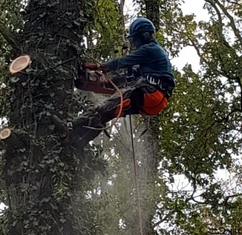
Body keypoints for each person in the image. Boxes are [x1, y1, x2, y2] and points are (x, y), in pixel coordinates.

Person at [66, 17, 175, 148]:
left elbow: (123, 61)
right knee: (108, 112)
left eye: (136, 39)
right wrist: (107, 83)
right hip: (155, 102)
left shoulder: (150, 49)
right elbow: (132, 74)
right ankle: (78, 141)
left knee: (105, 106)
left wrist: (99, 67)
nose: (135, 43)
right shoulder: (154, 58)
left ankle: (71, 126)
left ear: (144, 36)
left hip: (149, 92)